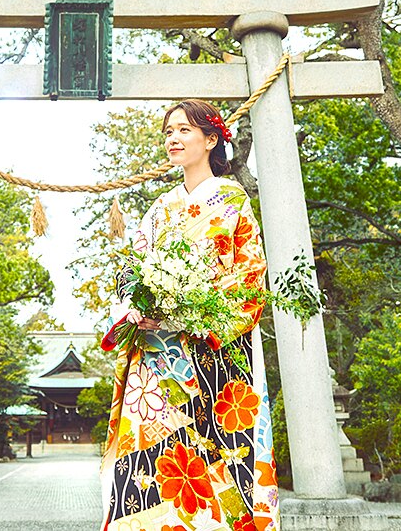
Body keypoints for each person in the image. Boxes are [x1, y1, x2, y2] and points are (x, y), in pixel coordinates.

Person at [99, 99, 279, 531]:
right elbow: (132, 268)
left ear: (211, 139)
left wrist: (193, 312)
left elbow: (251, 276)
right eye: (168, 132)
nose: (173, 140)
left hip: (212, 354)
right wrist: (136, 306)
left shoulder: (233, 202)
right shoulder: (160, 209)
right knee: (150, 462)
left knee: (219, 459)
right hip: (157, 359)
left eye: (183, 130)